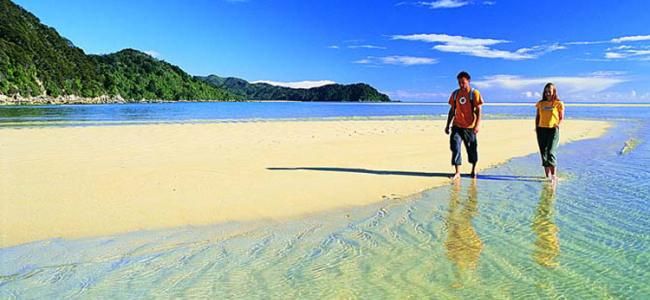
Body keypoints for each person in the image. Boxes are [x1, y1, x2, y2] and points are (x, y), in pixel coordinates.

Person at [445, 71, 484, 180]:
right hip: (457, 126)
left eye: (463, 82)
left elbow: (479, 110)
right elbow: (452, 110)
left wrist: (477, 125)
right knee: (455, 147)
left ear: (468, 81)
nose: (461, 85)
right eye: (459, 83)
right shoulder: (455, 94)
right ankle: (457, 172)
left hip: (470, 127)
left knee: (472, 149)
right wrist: (447, 125)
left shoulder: (474, 93)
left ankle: (473, 169)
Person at [535, 83, 564, 181]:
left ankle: (554, 176)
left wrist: (558, 124)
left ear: (554, 92)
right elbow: (538, 116)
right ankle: (547, 176)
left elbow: (561, 116)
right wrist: (537, 128)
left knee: (551, 151)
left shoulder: (558, 103)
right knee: (544, 152)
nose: (548, 94)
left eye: (549, 92)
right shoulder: (540, 103)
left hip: (553, 130)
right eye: (546, 91)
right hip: (541, 129)